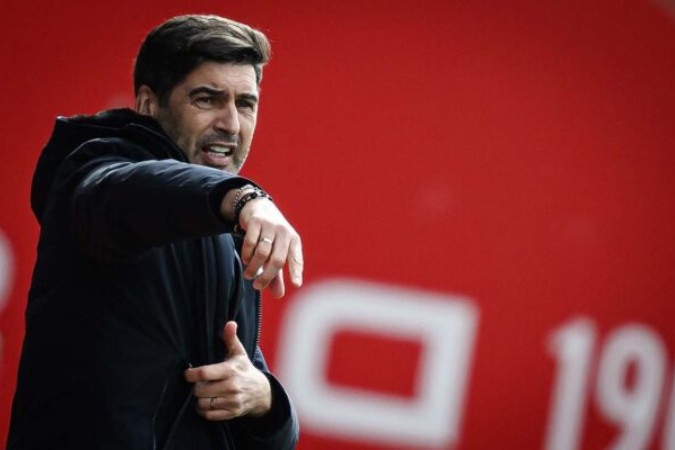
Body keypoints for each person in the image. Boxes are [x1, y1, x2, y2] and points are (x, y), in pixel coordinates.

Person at [7, 14, 302, 450]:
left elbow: (256, 411)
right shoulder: (95, 174)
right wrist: (243, 196)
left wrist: (264, 399)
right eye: (207, 99)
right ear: (149, 104)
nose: (232, 124)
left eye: (245, 103)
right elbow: (139, 192)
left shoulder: (226, 236)